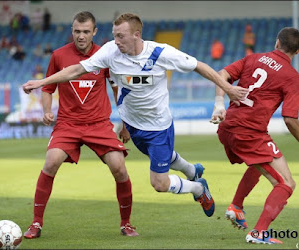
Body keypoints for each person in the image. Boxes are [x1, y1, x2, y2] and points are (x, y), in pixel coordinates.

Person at [23, 13, 248, 220]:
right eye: (114, 35)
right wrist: (42, 82)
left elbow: (200, 66)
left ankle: (199, 188)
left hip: (158, 126)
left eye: (120, 36)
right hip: (132, 125)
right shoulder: (111, 51)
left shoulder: (161, 53)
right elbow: (76, 70)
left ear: (136, 35)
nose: (115, 41)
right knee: (159, 157)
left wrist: (226, 90)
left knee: (159, 182)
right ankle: (191, 170)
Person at [23, 11, 138, 239]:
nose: (81, 36)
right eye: (77, 31)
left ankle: (126, 224)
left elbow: (118, 91)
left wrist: (126, 124)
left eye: (86, 31)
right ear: (72, 31)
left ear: (94, 32)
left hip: (99, 124)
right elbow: (47, 88)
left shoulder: (105, 55)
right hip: (68, 123)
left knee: (119, 168)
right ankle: (36, 223)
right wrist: (47, 111)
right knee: (50, 163)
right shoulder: (58, 55)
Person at [210, 27, 299, 244]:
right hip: (248, 133)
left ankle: (237, 207)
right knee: (286, 183)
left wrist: (219, 103)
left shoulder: (254, 58)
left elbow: (221, 74)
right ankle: (259, 232)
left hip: (227, 127)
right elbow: (290, 119)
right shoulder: (292, 77)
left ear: (277, 43)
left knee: (260, 162)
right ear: (296, 53)